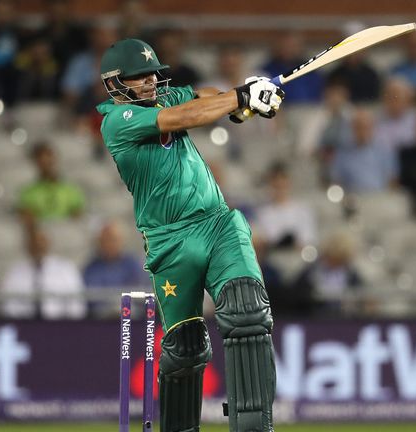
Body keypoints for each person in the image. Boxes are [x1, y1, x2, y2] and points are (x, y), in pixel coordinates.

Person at [96, 38, 284, 431]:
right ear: (115, 84)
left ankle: (254, 426)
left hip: (216, 224)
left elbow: (203, 95)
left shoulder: (167, 96)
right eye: (137, 77)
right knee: (185, 350)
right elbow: (184, 117)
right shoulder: (116, 121)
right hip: (169, 242)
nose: (148, 81)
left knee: (247, 313)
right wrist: (239, 97)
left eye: (151, 73)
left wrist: (243, 104)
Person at [0, 227, 86, 319]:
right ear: (27, 245)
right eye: (34, 243)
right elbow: (7, 306)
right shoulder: (14, 272)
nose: (38, 247)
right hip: (24, 325)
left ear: (48, 243)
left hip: (60, 325)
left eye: (41, 242)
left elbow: (77, 305)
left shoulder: (66, 269)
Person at [330, 108, 398, 193]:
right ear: (352, 128)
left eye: (366, 127)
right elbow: (336, 182)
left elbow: (393, 181)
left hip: (380, 199)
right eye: (359, 127)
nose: (363, 131)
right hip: (352, 200)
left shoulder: (384, 151)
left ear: (373, 127)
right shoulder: (342, 153)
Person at [253, 161, 317, 250]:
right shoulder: (262, 213)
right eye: (275, 182)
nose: (280, 186)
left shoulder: (303, 210)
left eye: (283, 181)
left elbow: (308, 240)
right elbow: (264, 241)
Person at [17, 142, 85, 225]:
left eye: (49, 161)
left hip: (67, 231)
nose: (47, 166)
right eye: (42, 162)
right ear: (36, 164)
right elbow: (27, 219)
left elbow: (78, 217)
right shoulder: (28, 192)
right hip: (41, 233)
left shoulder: (71, 189)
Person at [261, 31, 323, 103]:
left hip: (311, 110)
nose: (288, 49)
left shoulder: (312, 71)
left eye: (293, 46)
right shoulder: (266, 71)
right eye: (284, 46)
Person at [373, 77, 416, 152]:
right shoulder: (374, 120)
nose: (392, 100)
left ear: (408, 99)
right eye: (389, 96)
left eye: (396, 97)